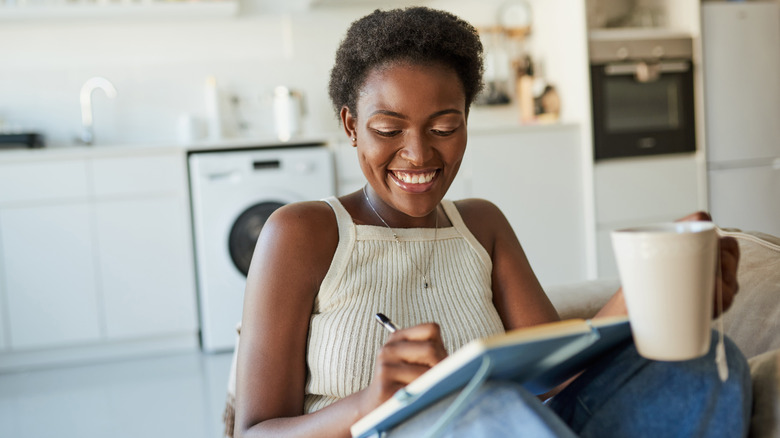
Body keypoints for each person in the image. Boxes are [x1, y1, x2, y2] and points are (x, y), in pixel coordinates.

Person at [233, 6, 751, 438]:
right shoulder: (301, 233)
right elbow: (255, 431)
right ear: (350, 125)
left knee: (704, 360)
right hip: (475, 425)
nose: (417, 154)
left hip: (514, 425)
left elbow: (560, 373)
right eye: (388, 129)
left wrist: (655, 290)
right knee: (481, 408)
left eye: (444, 127)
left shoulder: (482, 225)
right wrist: (368, 403)